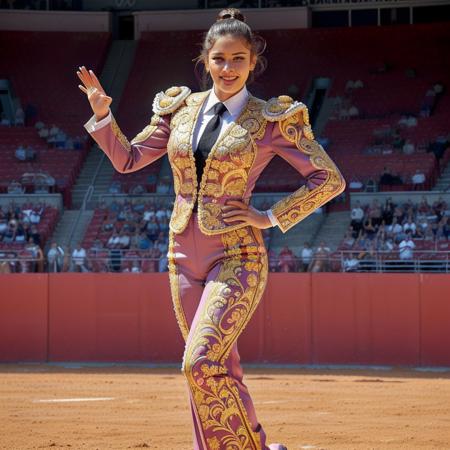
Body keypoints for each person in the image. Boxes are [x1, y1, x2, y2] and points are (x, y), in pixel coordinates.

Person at [77, 8, 345, 450]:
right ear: (206, 60)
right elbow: (127, 160)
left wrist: (271, 217)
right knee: (215, 366)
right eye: (219, 59)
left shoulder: (272, 119)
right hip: (181, 256)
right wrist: (104, 117)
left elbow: (328, 179)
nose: (228, 68)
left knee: (199, 362)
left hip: (237, 255)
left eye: (238, 59)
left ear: (253, 62)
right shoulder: (179, 110)